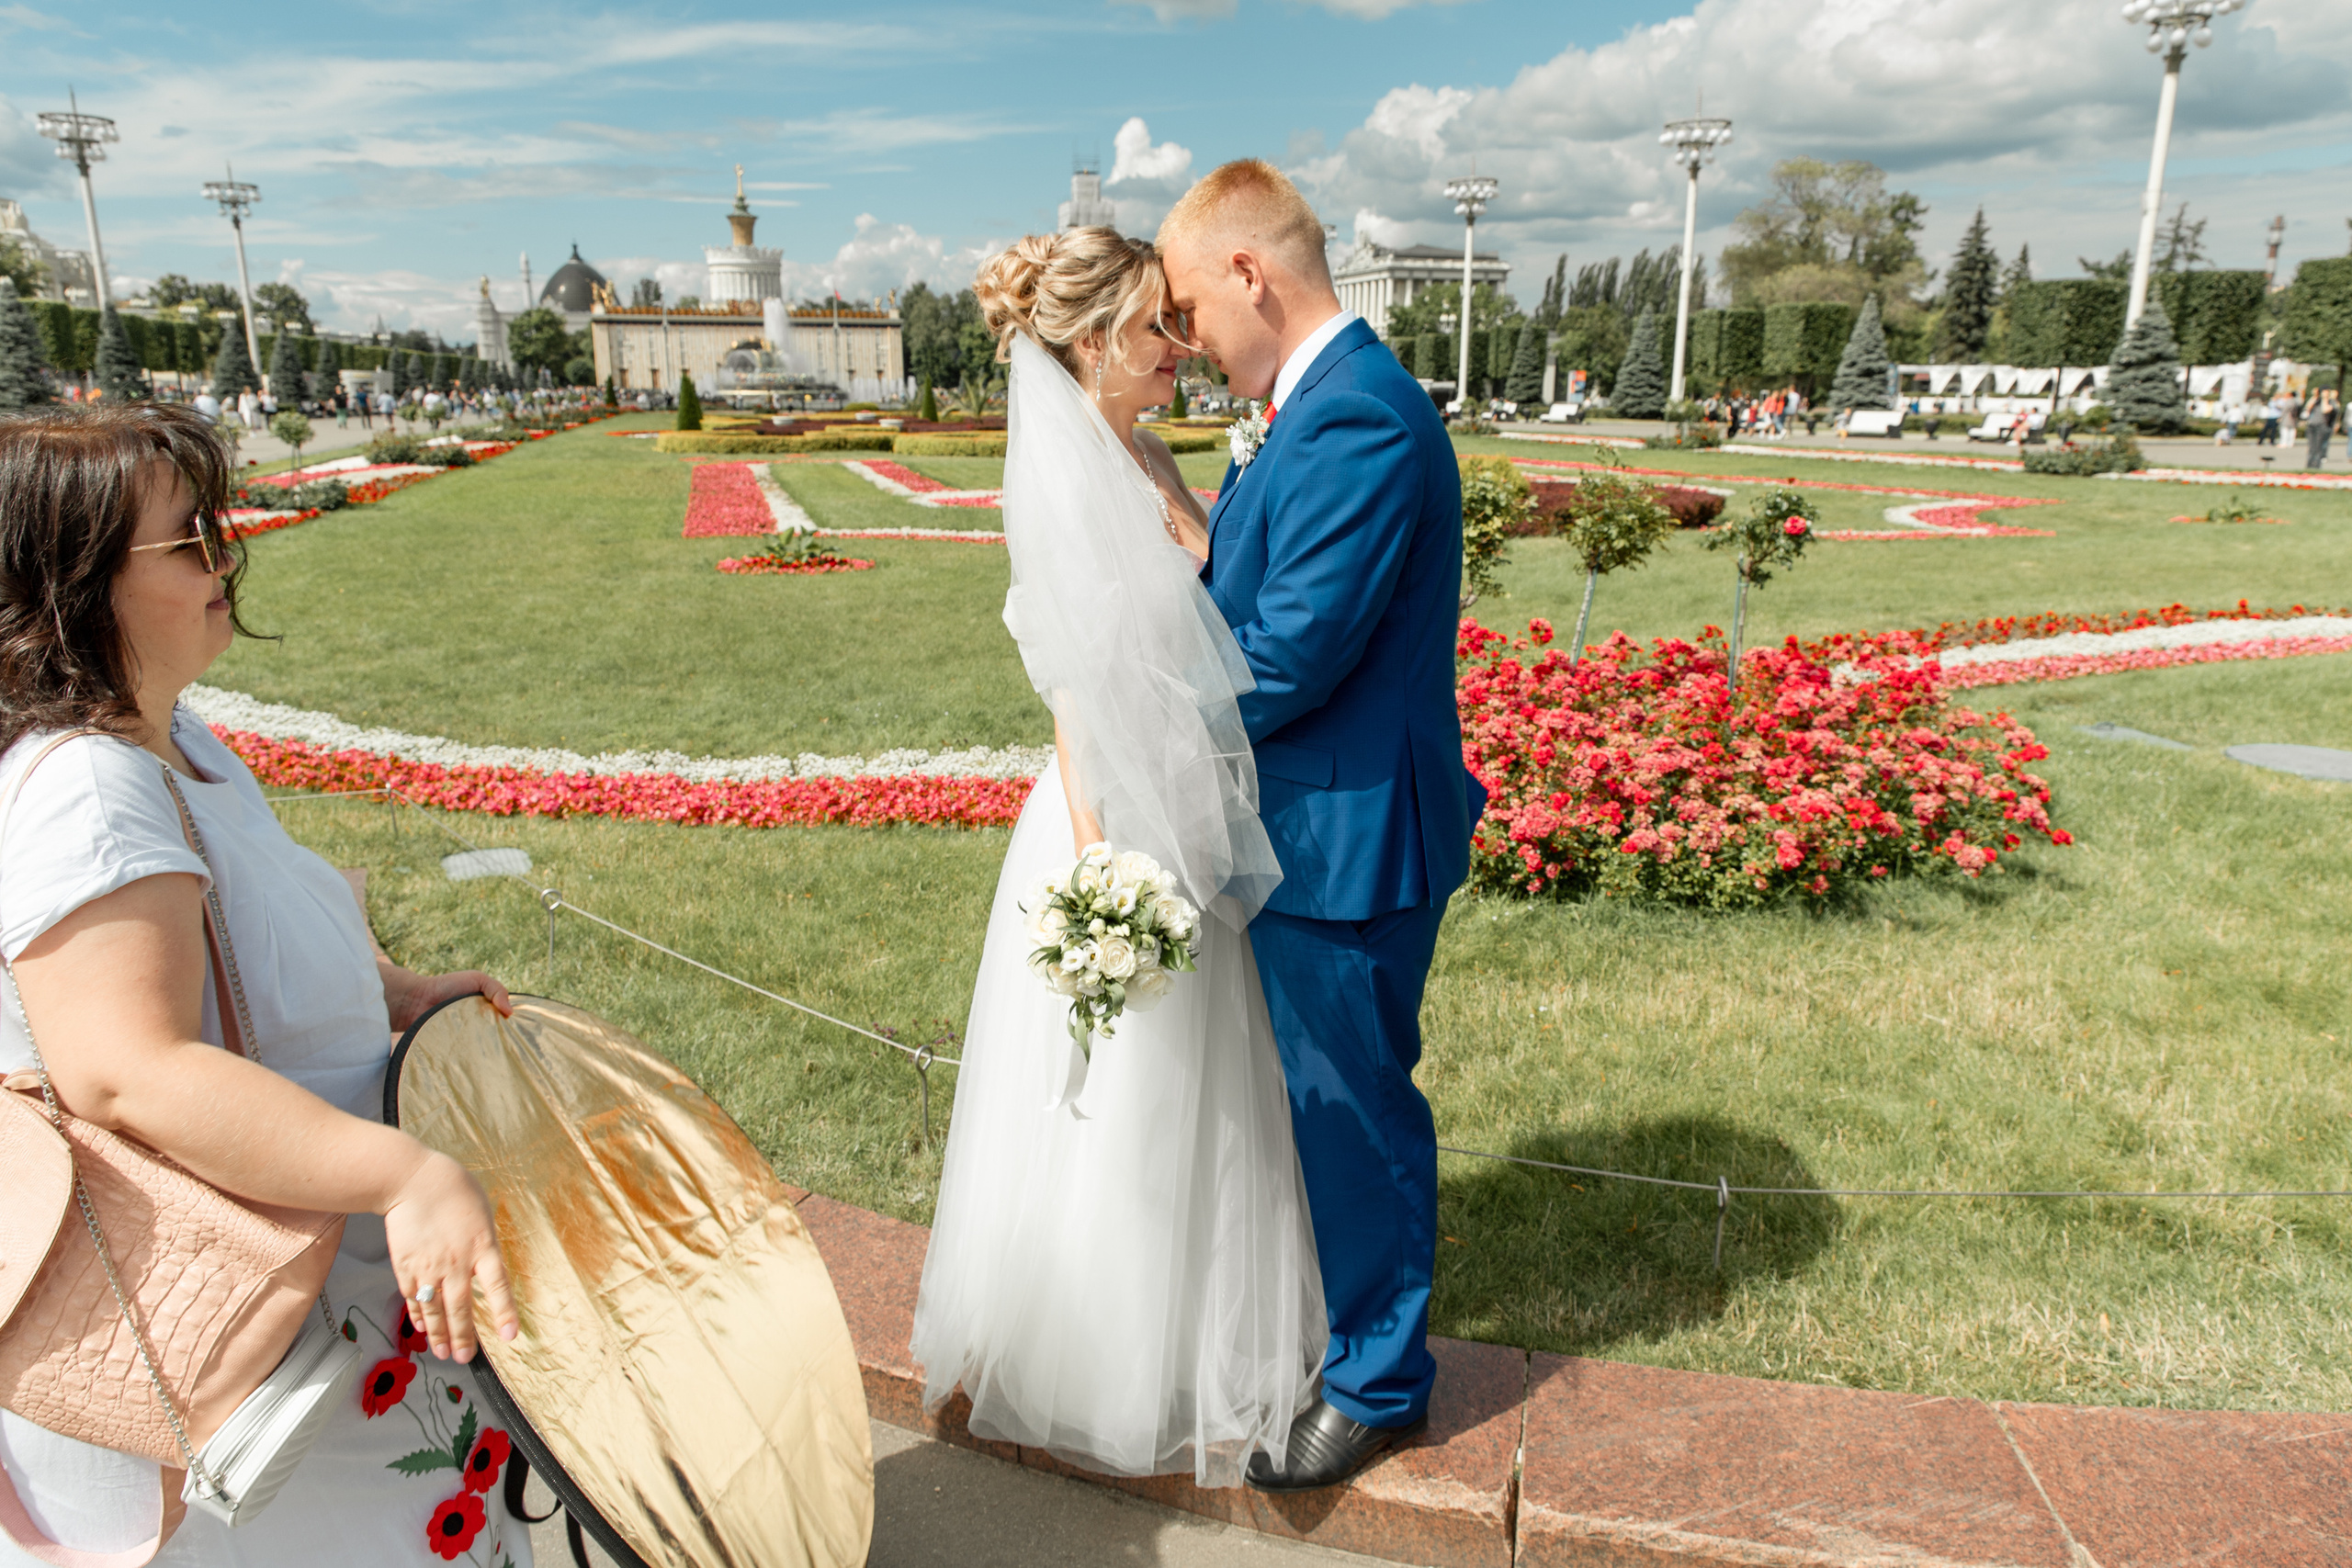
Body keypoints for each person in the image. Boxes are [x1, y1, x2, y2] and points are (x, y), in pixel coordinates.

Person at [0, 404, 529, 1568]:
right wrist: (406, 1173)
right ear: (73, 584)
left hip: (310, 1291)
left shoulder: (176, 742)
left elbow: (233, 938)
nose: (223, 558)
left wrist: (390, 989)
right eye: (187, 543)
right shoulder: (89, 784)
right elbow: (129, 1073)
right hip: (238, 1313)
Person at [910, 227, 1323, 1491]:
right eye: (1157, 327)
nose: (1179, 347)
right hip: (1115, 820)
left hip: (1180, 796)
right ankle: (1109, 1350)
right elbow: (1076, 702)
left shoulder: (1142, 450)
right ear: (1094, 344)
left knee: (1210, 1079)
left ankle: (1204, 1323)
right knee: (1130, 1078)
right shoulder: (1063, 475)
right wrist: (1106, 871)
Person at [1160, 161, 1482, 1491]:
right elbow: (1247, 583)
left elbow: (1288, 652)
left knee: (1348, 1110)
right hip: (1310, 824)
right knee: (1316, 1101)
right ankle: (1348, 1335)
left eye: (1187, 307)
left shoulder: (1356, 418)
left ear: (1252, 273)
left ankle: (1380, 1382)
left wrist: (1143, 699)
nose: (1185, 341)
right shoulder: (1313, 410)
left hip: (1350, 841)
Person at [2307, 388, 2339, 469]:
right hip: (2312, 426)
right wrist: (2315, 396)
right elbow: (2308, 407)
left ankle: (2316, 466)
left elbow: (2325, 410)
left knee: (2318, 448)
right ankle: (2309, 466)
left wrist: (2325, 398)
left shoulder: (2332, 402)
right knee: (2311, 448)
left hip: (2322, 427)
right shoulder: (2317, 401)